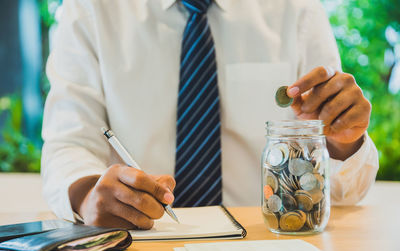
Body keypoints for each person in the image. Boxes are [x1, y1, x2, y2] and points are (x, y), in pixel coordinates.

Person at [42, 0, 379, 229]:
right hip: (140, 245)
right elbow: (69, 145)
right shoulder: (89, 9)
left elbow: (343, 194)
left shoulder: (298, 8)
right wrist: (87, 196)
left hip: (267, 244)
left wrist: (342, 144)